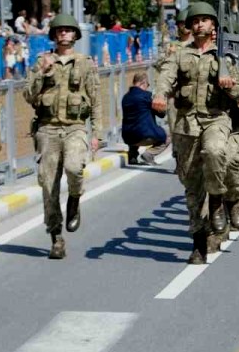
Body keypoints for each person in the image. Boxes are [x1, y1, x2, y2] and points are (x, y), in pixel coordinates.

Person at [151, 2, 239, 264]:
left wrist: (229, 87)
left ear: (213, 25)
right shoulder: (180, 55)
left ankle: (217, 199)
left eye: (205, 20)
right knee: (192, 187)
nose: (199, 24)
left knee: (215, 151)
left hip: (216, 119)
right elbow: (165, 77)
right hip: (186, 125)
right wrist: (159, 95)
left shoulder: (226, 56)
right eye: (195, 21)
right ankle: (198, 243)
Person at [23, 14, 103, 260]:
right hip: (47, 130)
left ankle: (75, 199)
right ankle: (56, 237)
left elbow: (96, 100)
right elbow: (28, 95)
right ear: (54, 35)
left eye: (68, 30)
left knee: (74, 167)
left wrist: (97, 133)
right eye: (60, 30)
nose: (64, 34)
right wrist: (42, 72)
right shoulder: (42, 61)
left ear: (76, 35)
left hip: (75, 127)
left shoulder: (86, 64)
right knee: (49, 186)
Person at [121, 70, 169, 165]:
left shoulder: (125, 97)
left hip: (127, 137)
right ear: (143, 83)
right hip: (144, 136)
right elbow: (161, 114)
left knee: (134, 125)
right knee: (168, 136)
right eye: (148, 85)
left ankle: (132, 155)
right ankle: (149, 154)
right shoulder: (147, 96)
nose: (147, 87)